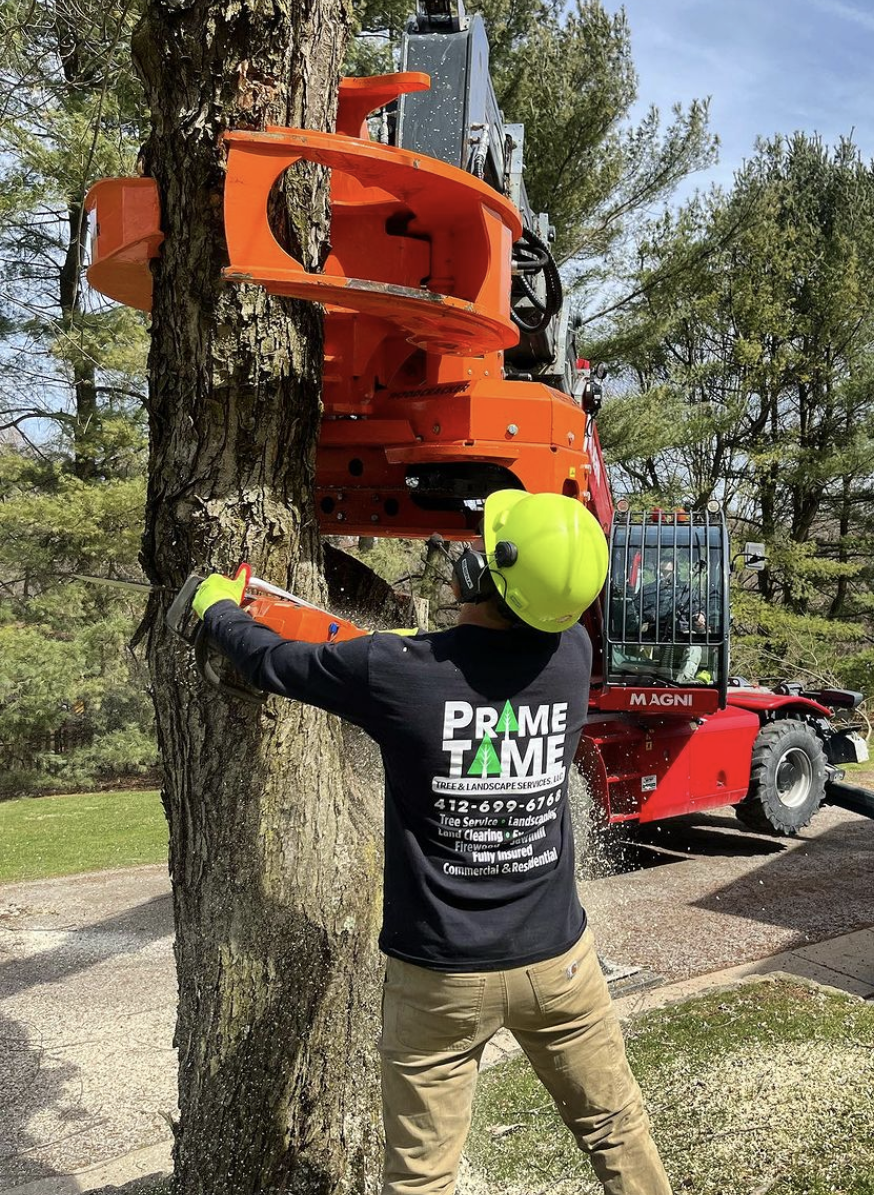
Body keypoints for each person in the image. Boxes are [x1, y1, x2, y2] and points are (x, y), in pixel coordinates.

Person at [191, 489, 673, 1195]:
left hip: (440, 978)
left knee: (420, 1179)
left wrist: (217, 607)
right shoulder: (571, 655)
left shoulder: (396, 673)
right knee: (616, 1127)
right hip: (560, 968)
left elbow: (270, 663)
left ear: (482, 579)